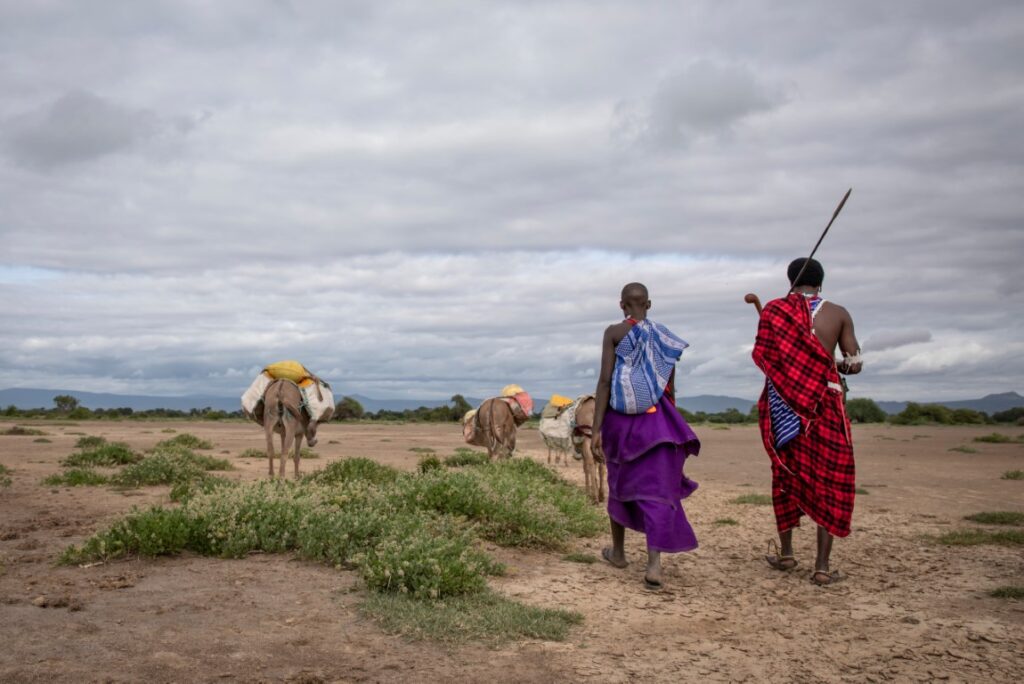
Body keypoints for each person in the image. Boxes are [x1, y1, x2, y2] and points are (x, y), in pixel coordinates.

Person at [752, 257, 862, 586]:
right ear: (821, 282)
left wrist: (801, 367)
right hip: (823, 406)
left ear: (790, 280)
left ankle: (787, 554)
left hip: (783, 405)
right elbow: (854, 362)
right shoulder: (838, 313)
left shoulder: (774, 311)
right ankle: (822, 568)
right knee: (827, 479)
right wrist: (829, 366)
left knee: (785, 473)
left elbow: (766, 355)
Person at [592, 283, 701, 590]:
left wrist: (597, 430)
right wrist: (671, 421)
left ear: (622, 305)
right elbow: (670, 386)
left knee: (619, 484)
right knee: (658, 491)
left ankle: (619, 553)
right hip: (659, 424)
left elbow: (604, 381)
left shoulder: (614, 332)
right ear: (648, 304)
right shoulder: (665, 338)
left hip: (620, 423)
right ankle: (654, 564)